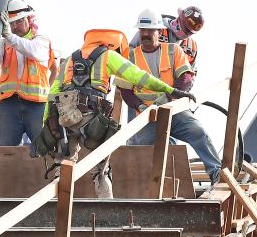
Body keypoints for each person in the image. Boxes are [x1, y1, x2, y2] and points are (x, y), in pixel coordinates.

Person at [32, 29, 196, 198]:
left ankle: (57, 210)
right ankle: (106, 211)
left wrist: (48, 123)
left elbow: (52, 94)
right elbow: (139, 77)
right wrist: (170, 89)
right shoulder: (108, 55)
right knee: (101, 170)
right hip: (91, 119)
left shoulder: (69, 60)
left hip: (64, 119)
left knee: (63, 168)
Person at [121, 9, 221, 186]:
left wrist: (170, 98)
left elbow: (186, 77)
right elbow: (126, 91)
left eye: (150, 30)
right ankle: (158, 186)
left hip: (173, 110)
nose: (145, 34)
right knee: (145, 144)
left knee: (198, 132)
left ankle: (216, 172)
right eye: (142, 30)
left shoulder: (174, 50)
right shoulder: (130, 57)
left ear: (159, 32)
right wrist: (141, 107)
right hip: (147, 115)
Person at [0, 0, 55, 156]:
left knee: (43, 153)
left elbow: (32, 51)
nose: (14, 27)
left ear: (29, 19)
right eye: (11, 23)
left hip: (37, 106)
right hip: (9, 104)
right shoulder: (5, 42)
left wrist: (8, 36)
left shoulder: (41, 41)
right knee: (4, 154)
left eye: (18, 22)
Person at [125, 6, 204, 124]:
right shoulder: (155, 29)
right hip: (143, 94)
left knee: (171, 133)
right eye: (183, 27)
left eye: (188, 32)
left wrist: (175, 95)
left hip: (173, 97)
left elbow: (190, 75)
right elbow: (130, 57)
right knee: (139, 135)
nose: (184, 33)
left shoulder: (191, 48)